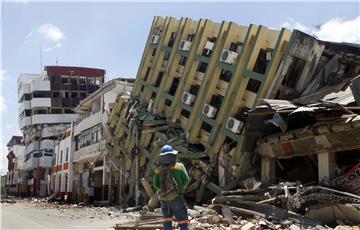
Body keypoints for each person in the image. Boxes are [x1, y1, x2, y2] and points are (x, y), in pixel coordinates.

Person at [153, 145, 190, 230]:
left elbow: (155, 184)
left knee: (167, 220)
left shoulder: (158, 170)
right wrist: (180, 188)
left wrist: (164, 190)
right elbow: (187, 180)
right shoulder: (179, 166)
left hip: (164, 198)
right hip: (177, 197)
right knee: (183, 221)